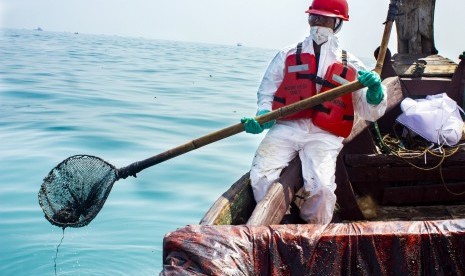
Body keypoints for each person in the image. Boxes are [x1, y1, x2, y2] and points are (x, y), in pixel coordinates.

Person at [241, 0, 387, 224]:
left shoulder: (351, 64)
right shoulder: (288, 54)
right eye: (314, 17)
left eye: (325, 18)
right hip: (287, 127)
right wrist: (262, 117)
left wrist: (375, 91)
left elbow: (370, 112)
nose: (318, 23)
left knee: (323, 188)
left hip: (324, 134)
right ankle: (280, 221)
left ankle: (313, 231)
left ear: (338, 23)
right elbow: (267, 92)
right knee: (261, 176)